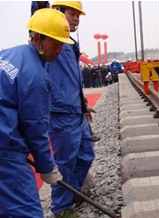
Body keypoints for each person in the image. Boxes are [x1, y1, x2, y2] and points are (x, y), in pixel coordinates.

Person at [0, 8, 73, 217]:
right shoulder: (36, 76)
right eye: (55, 43)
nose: (59, 50)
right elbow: (36, 127)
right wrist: (47, 167)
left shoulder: (9, 54)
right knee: (27, 212)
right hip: (5, 150)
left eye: (61, 44)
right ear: (38, 37)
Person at [46, 2, 95, 217]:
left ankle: (73, 191)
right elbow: (38, 14)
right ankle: (61, 208)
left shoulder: (70, 43)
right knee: (64, 163)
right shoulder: (50, 39)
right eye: (71, 14)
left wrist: (83, 105)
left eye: (78, 15)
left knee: (86, 155)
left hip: (76, 111)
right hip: (60, 114)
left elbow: (73, 78)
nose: (76, 19)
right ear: (57, 13)